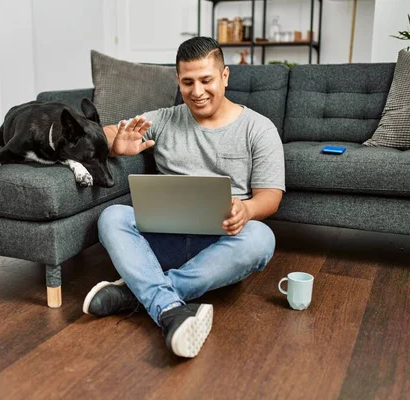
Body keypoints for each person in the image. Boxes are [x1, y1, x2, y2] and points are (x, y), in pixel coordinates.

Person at [82, 37, 285, 358]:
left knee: (261, 238)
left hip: (221, 245)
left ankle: (143, 295)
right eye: (188, 82)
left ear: (225, 76)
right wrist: (116, 144)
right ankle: (168, 306)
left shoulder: (259, 129)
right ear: (178, 80)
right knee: (112, 218)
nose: (198, 91)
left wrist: (246, 209)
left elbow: (271, 197)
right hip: (163, 240)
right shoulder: (162, 119)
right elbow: (106, 133)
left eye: (206, 80)